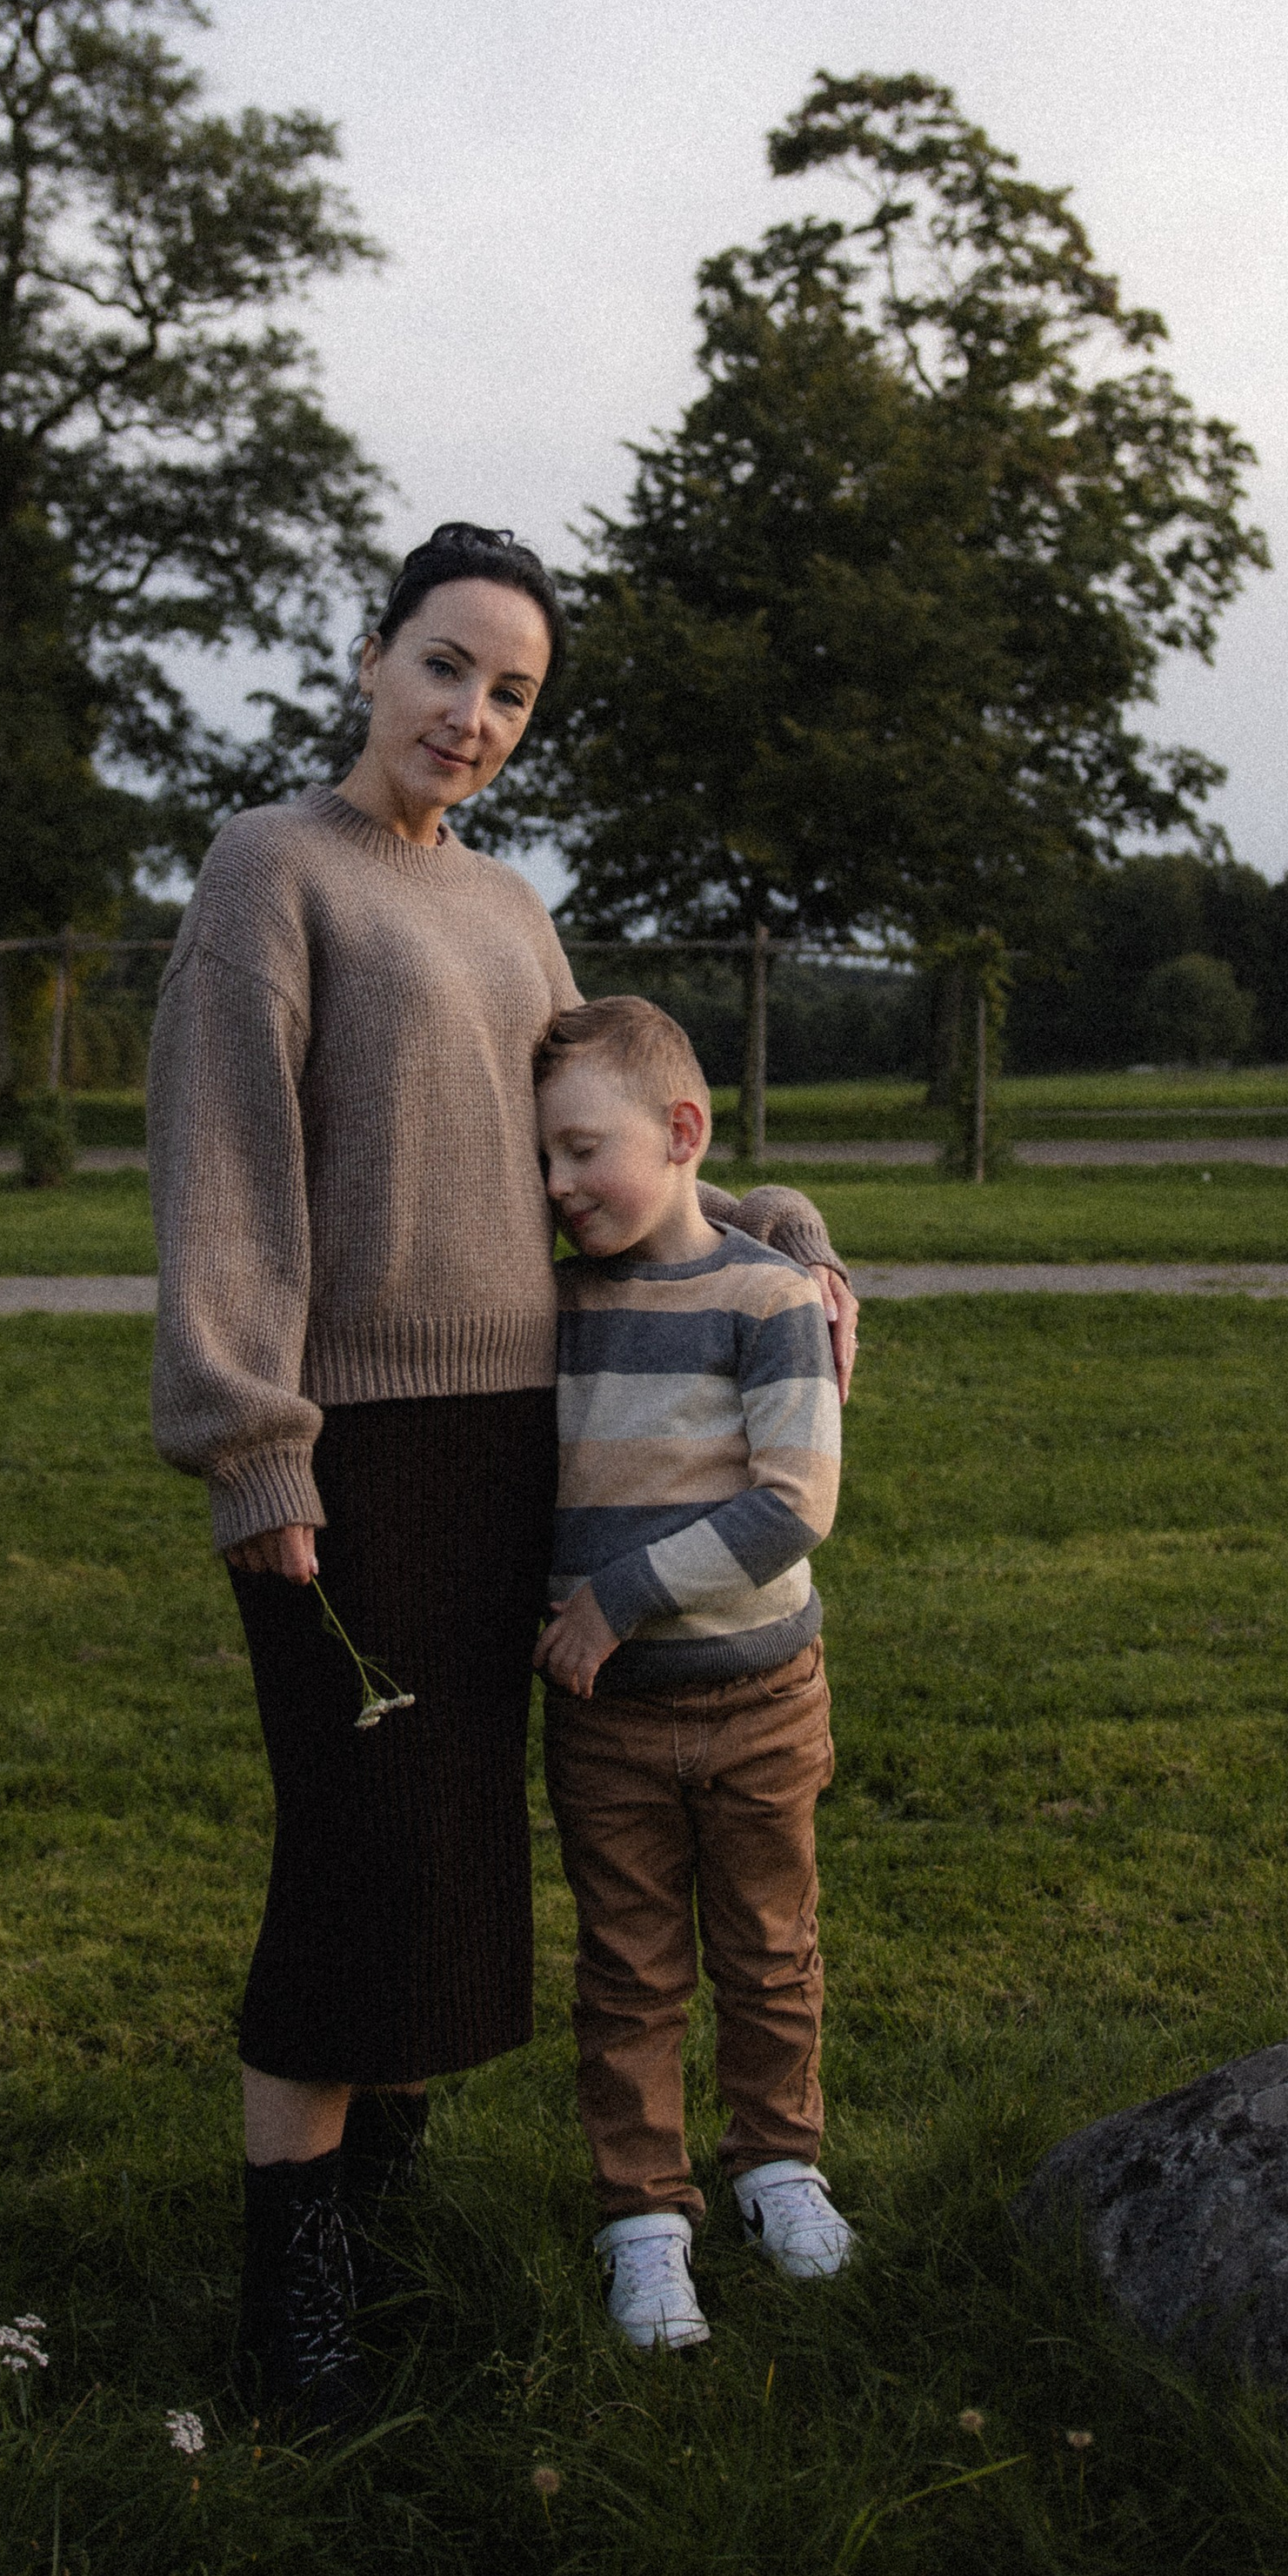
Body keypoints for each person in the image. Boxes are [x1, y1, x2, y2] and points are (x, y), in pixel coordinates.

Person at [145, 523, 856, 2421]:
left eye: (511, 693)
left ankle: (372, 2226)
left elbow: (591, 1139)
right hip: (347, 1458)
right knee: (357, 1862)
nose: (471, 715)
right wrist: (253, 1448)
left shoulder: (512, 910)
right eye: (445, 666)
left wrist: (759, 1217)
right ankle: (284, 2299)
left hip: (524, 1453)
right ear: (371, 657)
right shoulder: (268, 869)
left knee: (457, 1872)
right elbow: (225, 1174)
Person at [532, 994, 853, 2352]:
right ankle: (643, 2220)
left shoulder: (770, 1301)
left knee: (770, 1946)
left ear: (681, 1132)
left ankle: (779, 2163)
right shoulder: (549, 1306)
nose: (558, 1188)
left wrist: (615, 1599)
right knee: (630, 1969)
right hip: (608, 1724)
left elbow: (795, 1506)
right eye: (539, 1161)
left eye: (581, 1152)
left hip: (760, 1699)